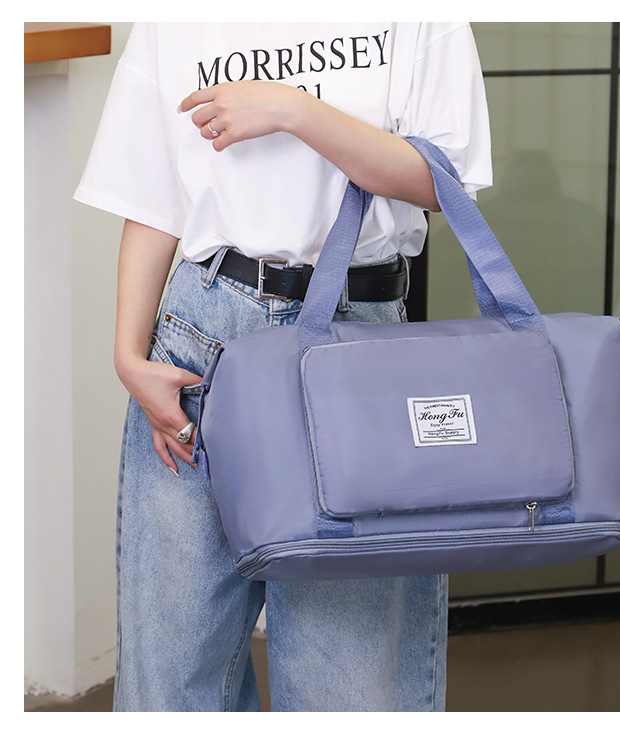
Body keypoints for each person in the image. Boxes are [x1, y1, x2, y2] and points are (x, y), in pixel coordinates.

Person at [75, 22, 492, 712]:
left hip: (358, 347)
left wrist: (294, 110)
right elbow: (153, 197)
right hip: (203, 338)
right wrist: (128, 354)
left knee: (352, 687)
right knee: (171, 676)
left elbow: (438, 182)